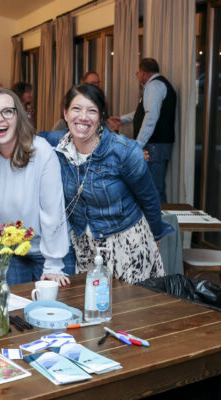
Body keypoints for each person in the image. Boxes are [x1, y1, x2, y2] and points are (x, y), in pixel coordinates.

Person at [43, 83, 172, 284]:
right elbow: (21, 138)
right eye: (76, 109)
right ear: (65, 114)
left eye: (91, 111)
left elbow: (149, 198)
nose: (83, 117)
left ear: (101, 116)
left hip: (127, 246)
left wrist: (155, 237)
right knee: (91, 310)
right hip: (85, 249)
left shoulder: (124, 151)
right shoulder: (54, 145)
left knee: (130, 313)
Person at [0, 87, 70, 286]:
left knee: (50, 313)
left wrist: (53, 264)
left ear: (19, 117)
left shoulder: (41, 151)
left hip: (48, 254)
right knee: (14, 313)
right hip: (12, 252)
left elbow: (53, 212)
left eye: (7, 111)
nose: (0, 118)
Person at [108, 58, 176, 203]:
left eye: (138, 73)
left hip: (154, 145)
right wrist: (123, 119)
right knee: (151, 186)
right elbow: (143, 112)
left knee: (153, 187)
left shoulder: (155, 86)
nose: (138, 77)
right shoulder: (156, 86)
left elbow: (151, 116)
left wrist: (138, 144)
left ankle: (158, 223)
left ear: (144, 73)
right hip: (156, 145)